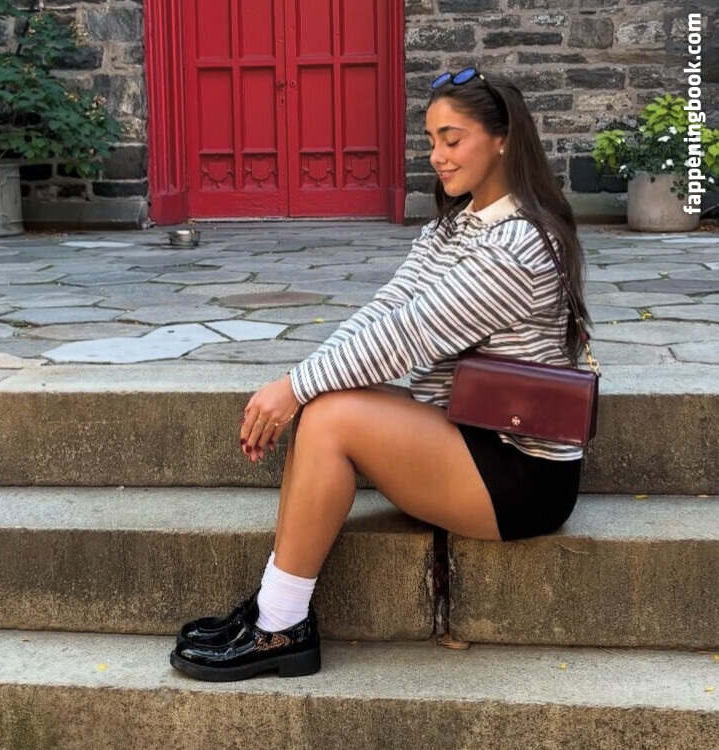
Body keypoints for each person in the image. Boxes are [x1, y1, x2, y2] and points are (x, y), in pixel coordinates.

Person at [169, 68, 593, 682]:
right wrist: (301, 381)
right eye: (431, 140)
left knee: (331, 415)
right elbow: (385, 310)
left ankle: (281, 627)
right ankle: (272, 610)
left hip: (522, 472)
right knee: (327, 400)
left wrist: (294, 389)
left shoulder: (517, 247)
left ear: (502, 140)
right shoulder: (455, 226)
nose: (437, 156)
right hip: (468, 435)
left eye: (453, 139)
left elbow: (407, 337)